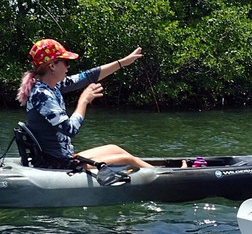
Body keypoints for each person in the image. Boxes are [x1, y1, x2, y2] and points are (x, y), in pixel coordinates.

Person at [17, 38, 152, 171]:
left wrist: (122, 62)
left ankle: (162, 175)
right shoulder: (42, 95)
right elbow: (70, 130)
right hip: (58, 163)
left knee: (114, 149)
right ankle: (165, 179)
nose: (68, 67)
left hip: (63, 157)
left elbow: (88, 76)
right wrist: (84, 101)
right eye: (65, 62)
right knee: (128, 160)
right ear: (52, 66)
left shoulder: (52, 86)